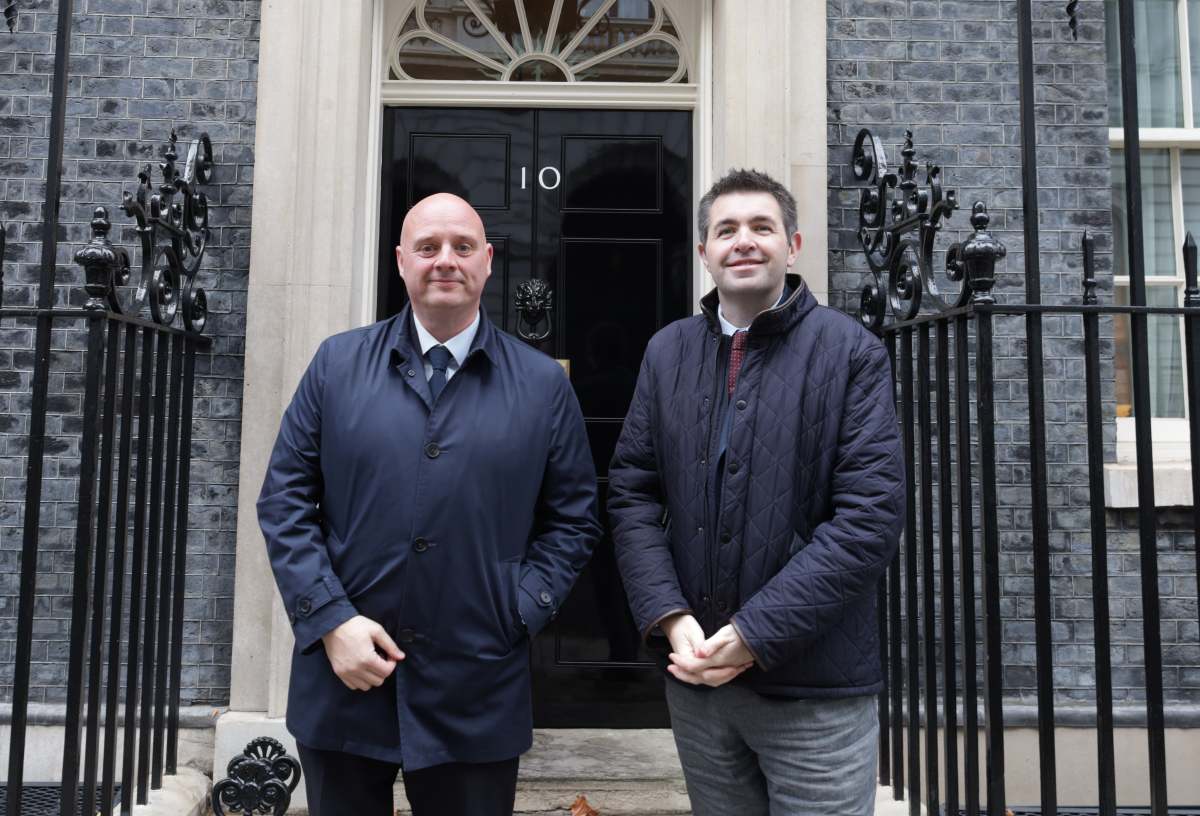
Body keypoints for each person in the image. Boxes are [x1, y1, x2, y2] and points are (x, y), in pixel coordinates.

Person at [257, 193, 600, 816]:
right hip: (344, 678)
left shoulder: (543, 384)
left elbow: (574, 518)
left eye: (463, 247)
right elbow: (283, 499)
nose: (446, 260)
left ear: (488, 261)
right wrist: (331, 621)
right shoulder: (337, 364)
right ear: (400, 261)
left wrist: (518, 611)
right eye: (428, 247)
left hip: (477, 679)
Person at [608, 168, 905, 816]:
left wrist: (753, 634)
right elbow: (631, 491)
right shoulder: (667, 352)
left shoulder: (849, 352)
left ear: (792, 245)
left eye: (761, 227)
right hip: (697, 688)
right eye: (726, 229)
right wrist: (668, 616)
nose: (743, 241)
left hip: (813, 690)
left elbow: (869, 519)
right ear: (704, 252)